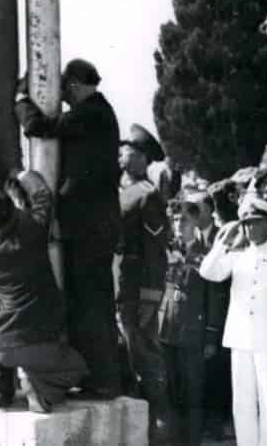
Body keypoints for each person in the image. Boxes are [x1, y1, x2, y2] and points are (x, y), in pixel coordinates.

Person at [14, 58, 122, 397]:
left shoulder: (91, 113)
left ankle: (102, 380)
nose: (62, 97)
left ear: (74, 85)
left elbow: (38, 126)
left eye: (64, 90)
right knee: (90, 304)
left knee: (90, 305)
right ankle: (100, 377)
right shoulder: (98, 112)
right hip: (91, 226)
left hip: (88, 227)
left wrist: (22, 99)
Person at [0, 172, 89, 414]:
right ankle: (39, 390)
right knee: (77, 368)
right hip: (33, 339)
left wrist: (15, 210)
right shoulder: (31, 232)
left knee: (7, 333)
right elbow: (42, 198)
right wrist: (25, 175)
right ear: (13, 214)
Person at [200, 197, 267, 446]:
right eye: (246, 224)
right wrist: (223, 242)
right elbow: (208, 271)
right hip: (240, 338)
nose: (250, 229)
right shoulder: (236, 257)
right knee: (242, 401)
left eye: (256, 223)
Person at [114, 124, 171, 438]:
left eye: (132, 152)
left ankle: (159, 422)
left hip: (138, 284)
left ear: (144, 159)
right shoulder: (120, 188)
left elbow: (155, 252)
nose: (124, 156)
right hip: (119, 280)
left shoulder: (148, 195)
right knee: (129, 348)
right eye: (124, 150)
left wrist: (150, 296)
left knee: (144, 352)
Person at [158, 204, 225, 446]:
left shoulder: (206, 254)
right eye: (175, 220)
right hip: (167, 329)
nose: (179, 225)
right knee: (170, 390)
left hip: (193, 334)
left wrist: (210, 337)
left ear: (196, 223)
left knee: (193, 394)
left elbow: (213, 300)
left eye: (184, 220)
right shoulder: (166, 251)